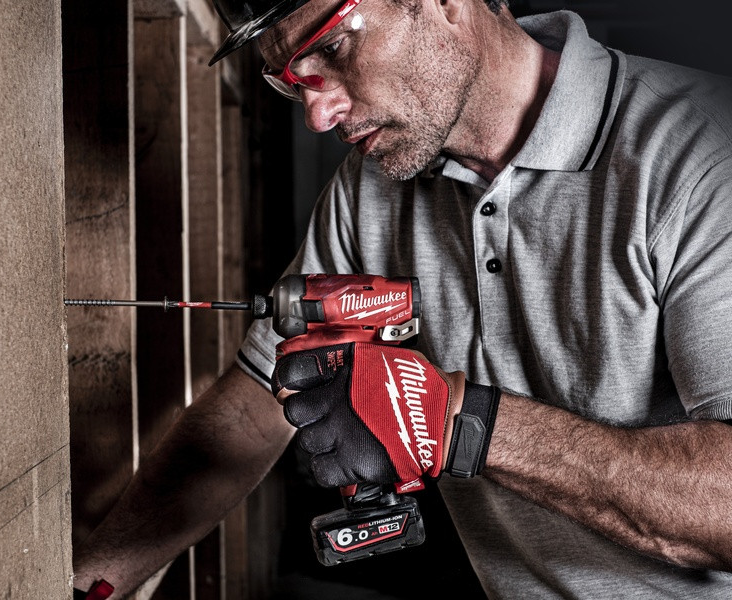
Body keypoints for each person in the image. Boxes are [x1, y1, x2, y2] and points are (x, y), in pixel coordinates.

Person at [73, 0, 732, 597]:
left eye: (332, 49)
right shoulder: (371, 188)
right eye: (294, 82)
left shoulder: (699, 155)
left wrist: (462, 424)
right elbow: (255, 409)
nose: (318, 115)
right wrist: (94, 581)